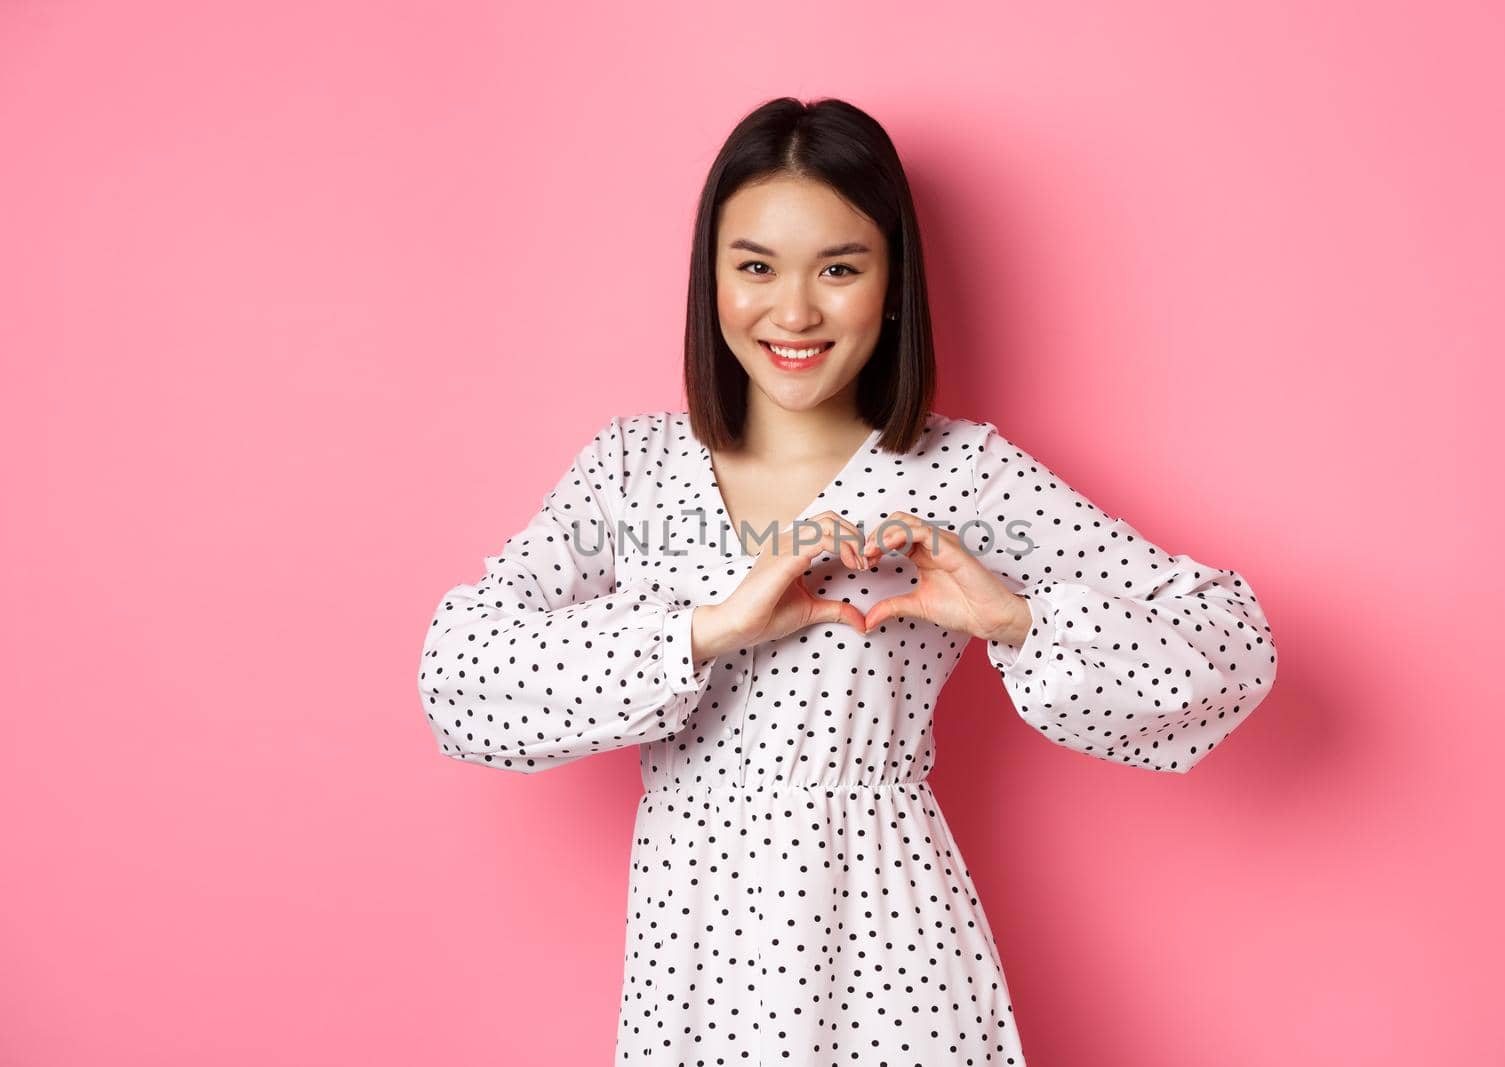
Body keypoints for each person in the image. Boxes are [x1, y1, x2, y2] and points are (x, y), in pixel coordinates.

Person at [417, 96, 1279, 1065]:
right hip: (691, 961)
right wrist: (702, 630)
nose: (793, 311)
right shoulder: (630, 472)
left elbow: (1228, 646)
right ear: (710, 281)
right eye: (754, 267)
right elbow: (458, 676)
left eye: (838, 267)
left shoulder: (964, 477)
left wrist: (1017, 620)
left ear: (894, 281)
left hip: (894, 958)